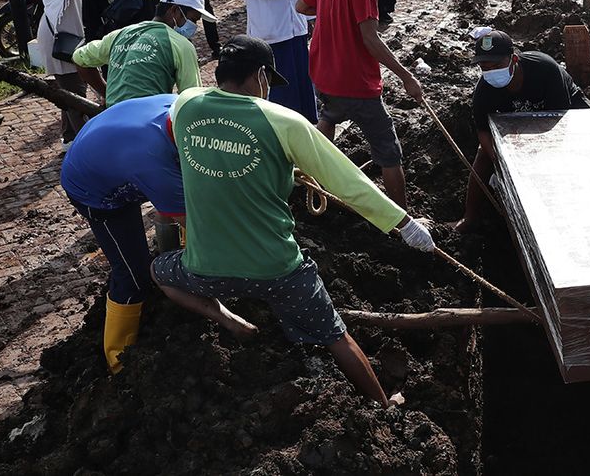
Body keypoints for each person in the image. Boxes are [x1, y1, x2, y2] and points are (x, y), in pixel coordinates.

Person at [150, 35, 437, 405]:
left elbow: (178, 137)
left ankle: (230, 321)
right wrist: (404, 223)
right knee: (336, 336)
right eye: (268, 80)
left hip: (207, 271)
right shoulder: (285, 122)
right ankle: (383, 404)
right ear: (259, 76)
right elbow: (348, 181)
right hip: (278, 272)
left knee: (159, 270)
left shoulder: (186, 104)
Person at [295, 0, 418, 208]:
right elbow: (371, 39)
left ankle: (315, 182)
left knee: (329, 116)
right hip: (357, 82)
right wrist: (406, 76)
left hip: (325, 76)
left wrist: (330, 8)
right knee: (389, 150)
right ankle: (402, 217)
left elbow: (301, 5)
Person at [61, 93, 185, 373]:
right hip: (93, 191)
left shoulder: (182, 106)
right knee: (132, 274)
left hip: (110, 156)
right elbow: (194, 221)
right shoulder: (152, 159)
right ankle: (119, 361)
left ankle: (174, 273)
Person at [454, 29, 590, 233]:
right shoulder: (484, 90)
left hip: (561, 109)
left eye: (497, 65)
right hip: (514, 116)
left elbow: (559, 122)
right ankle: (470, 217)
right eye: (485, 67)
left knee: (585, 142)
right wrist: (500, 162)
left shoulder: (545, 69)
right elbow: (483, 132)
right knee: (483, 155)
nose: (491, 71)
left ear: (514, 59)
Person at [72, 0, 209, 106]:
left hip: (112, 119)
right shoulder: (181, 45)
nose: (194, 27)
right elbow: (192, 100)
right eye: (193, 20)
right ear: (175, 11)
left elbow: (79, 58)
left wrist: (107, 94)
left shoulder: (121, 34)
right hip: (149, 121)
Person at [37, 0, 90, 151]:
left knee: (68, 94)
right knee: (77, 95)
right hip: (61, 39)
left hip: (73, 34)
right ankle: (87, 147)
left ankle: (69, 139)